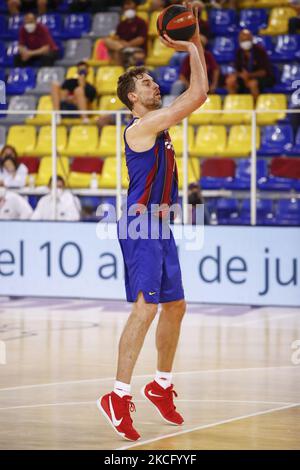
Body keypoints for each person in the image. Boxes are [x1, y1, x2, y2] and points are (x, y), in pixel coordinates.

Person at [97, 3, 208, 441]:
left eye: (153, 79)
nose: (155, 84)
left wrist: (193, 42)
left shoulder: (159, 124)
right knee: (144, 308)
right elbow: (197, 96)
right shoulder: (139, 128)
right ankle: (118, 396)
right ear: (132, 98)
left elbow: (199, 90)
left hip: (162, 225)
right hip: (141, 225)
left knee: (175, 306)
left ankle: (161, 386)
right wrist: (189, 40)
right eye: (146, 82)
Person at [225, 29, 275, 101]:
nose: (245, 42)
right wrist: (238, 75)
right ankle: (235, 106)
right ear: (239, 41)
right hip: (245, 77)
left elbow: (264, 72)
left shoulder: (260, 51)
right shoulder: (238, 52)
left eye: (247, 40)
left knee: (252, 84)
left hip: (263, 78)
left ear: (251, 39)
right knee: (230, 81)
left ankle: (255, 109)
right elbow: (237, 69)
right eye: (243, 40)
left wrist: (249, 75)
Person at [104, 0, 148, 67]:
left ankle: (120, 70)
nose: (126, 6)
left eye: (129, 4)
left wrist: (127, 44)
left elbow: (141, 39)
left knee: (118, 51)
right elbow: (117, 38)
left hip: (136, 49)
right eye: (125, 5)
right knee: (107, 40)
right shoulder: (121, 24)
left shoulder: (141, 22)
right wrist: (121, 44)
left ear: (135, 6)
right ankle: (121, 50)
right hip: (122, 48)